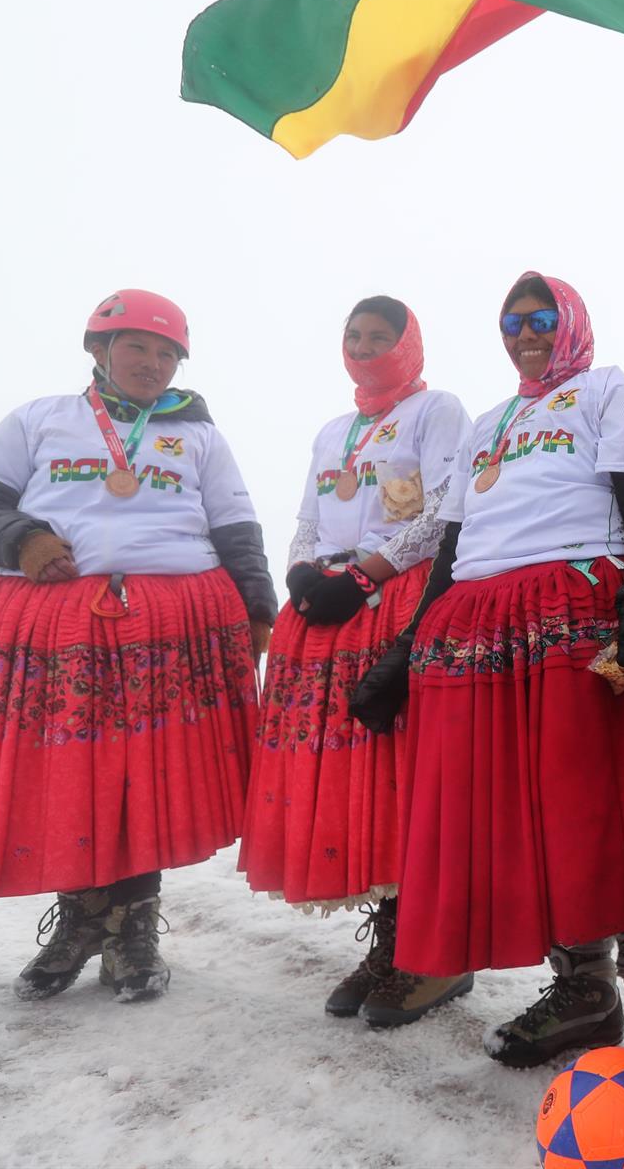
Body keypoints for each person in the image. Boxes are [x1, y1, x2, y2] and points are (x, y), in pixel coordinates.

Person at [0, 289, 276, 1003]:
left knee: (140, 777)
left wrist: (256, 612)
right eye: (135, 347)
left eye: (166, 353)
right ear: (98, 350)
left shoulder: (198, 437)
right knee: (69, 771)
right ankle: (84, 918)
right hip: (56, 626)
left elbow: (237, 530)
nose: (151, 363)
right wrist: (22, 540)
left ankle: (133, 928)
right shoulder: (39, 419)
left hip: (173, 625)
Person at [350, 273, 624, 1096]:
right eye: (512, 322)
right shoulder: (489, 422)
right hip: (472, 627)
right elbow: (452, 543)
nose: (526, 334)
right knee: (522, 823)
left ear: (571, 322)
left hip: (570, 612)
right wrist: (405, 646)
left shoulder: (608, 391)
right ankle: (583, 994)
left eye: (541, 319)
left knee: (600, 815)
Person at [236, 296, 468, 1020]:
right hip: (329, 611)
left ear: (408, 345)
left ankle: (434, 955)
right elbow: (309, 514)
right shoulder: (336, 429)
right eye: (354, 337)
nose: (365, 349)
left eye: (380, 337)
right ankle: (393, 940)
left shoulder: (437, 412)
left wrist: (366, 573)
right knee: (353, 781)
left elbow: (442, 510)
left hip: (394, 600)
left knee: (399, 778)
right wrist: (302, 574)